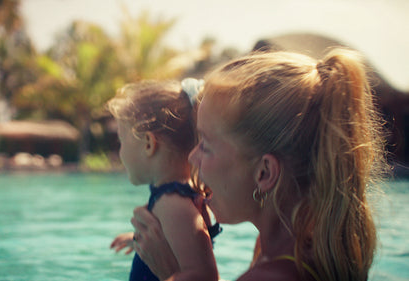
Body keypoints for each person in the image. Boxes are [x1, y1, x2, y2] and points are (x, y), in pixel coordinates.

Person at [131, 48, 389, 281]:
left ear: (264, 173)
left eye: (205, 145)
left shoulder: (271, 276)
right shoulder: (300, 248)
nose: (191, 156)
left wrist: (172, 272)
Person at [107, 79, 221, 281]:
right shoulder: (175, 198)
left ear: (149, 144)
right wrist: (138, 241)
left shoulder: (172, 205)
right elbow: (176, 246)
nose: (120, 151)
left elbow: (205, 276)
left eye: (121, 140)